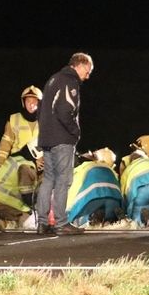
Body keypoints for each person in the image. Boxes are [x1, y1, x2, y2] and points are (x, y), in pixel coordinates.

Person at [36, 52, 94, 236]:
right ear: (81, 64)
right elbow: (64, 110)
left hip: (46, 139)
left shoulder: (53, 79)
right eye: (89, 70)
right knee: (63, 180)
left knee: (48, 180)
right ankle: (61, 223)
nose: (88, 75)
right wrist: (75, 132)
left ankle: (43, 223)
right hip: (62, 139)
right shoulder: (70, 81)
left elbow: (42, 111)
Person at [66, 148, 123, 227]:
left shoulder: (80, 169)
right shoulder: (111, 171)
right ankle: (111, 218)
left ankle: (88, 218)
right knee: (109, 219)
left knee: (77, 219)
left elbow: (70, 196)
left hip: (92, 198)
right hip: (114, 199)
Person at [0, 85, 43, 171]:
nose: (31, 104)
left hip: (41, 166)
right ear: (23, 103)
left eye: (35, 101)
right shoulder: (14, 119)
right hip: (19, 164)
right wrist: (0, 162)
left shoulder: (48, 121)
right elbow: (5, 144)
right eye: (28, 101)